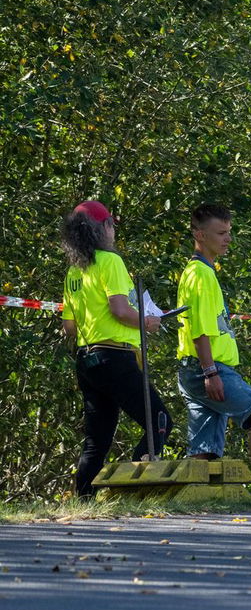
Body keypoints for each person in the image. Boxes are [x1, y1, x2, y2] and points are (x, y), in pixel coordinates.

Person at [59, 200, 171, 497]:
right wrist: (147, 322)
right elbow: (120, 310)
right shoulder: (111, 262)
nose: (113, 232)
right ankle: (133, 490)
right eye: (112, 225)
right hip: (115, 355)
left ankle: (84, 500)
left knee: (97, 440)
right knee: (158, 421)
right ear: (104, 227)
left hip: (86, 358)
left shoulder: (74, 271)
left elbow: (69, 327)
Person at [174, 203, 251, 496]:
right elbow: (199, 329)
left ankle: (194, 496)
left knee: (206, 446)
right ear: (199, 234)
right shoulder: (199, 274)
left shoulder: (203, 271)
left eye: (229, 232)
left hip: (200, 367)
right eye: (220, 233)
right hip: (206, 367)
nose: (228, 238)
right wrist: (210, 372)